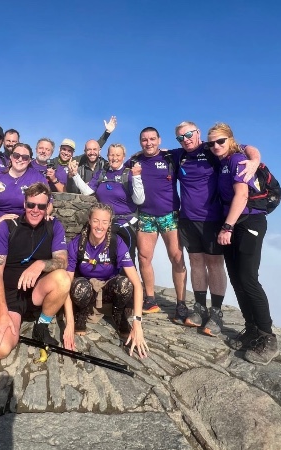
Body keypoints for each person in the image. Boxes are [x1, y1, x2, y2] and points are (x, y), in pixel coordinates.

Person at [174, 121, 261, 336]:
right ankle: (199, 307)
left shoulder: (212, 148)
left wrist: (255, 160)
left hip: (213, 219)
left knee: (214, 264)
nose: (186, 140)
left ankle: (216, 311)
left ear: (198, 133)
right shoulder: (180, 155)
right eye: (181, 137)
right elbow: (156, 152)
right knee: (196, 262)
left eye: (189, 134)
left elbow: (245, 147)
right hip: (187, 219)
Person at [207, 123, 278, 365]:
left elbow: (242, 195)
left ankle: (268, 337)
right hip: (234, 223)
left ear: (230, 139)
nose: (216, 146)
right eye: (212, 142)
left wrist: (226, 227)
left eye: (220, 141)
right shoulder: (223, 159)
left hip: (249, 222)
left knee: (248, 278)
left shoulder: (237, 160)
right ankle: (251, 329)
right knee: (237, 279)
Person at [0, 182, 73, 358]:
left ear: (47, 207)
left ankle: (41, 326)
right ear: (24, 204)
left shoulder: (54, 226)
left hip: (37, 291)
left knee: (63, 278)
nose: (35, 210)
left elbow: (63, 261)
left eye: (41, 206)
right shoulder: (8, 227)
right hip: (11, 294)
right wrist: (2, 312)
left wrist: (40, 264)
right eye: (31, 205)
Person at [66, 203, 148, 358]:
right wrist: (69, 323)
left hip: (109, 287)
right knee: (79, 287)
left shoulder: (117, 243)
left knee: (125, 284)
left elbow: (137, 284)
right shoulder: (77, 243)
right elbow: (66, 282)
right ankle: (82, 313)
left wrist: (137, 322)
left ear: (110, 223)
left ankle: (118, 313)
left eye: (104, 222)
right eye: (96, 221)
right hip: (86, 286)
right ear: (89, 220)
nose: (100, 226)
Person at [133, 127, 187, 322]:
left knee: (177, 257)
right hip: (146, 215)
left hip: (169, 215)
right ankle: (150, 299)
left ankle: (181, 304)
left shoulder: (170, 157)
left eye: (152, 139)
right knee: (144, 257)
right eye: (144, 140)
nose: (149, 143)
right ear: (140, 142)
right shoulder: (135, 160)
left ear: (159, 140)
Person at [69, 143, 144, 262]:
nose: (114, 158)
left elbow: (139, 200)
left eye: (118, 155)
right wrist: (75, 175)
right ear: (107, 156)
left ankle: (127, 274)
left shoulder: (129, 174)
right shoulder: (102, 173)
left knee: (126, 259)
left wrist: (136, 177)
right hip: (105, 222)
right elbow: (88, 191)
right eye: (111, 155)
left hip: (126, 222)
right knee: (101, 256)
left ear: (123, 157)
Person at [50, 116, 117, 190]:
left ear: (73, 153)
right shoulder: (52, 162)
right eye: (64, 149)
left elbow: (93, 149)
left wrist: (107, 133)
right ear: (59, 149)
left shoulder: (76, 161)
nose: (66, 153)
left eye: (69, 151)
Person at [0, 143, 51, 219]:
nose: (20, 159)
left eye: (25, 157)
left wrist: (39, 219)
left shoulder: (37, 177)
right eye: (16, 156)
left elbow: (49, 203)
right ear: (11, 156)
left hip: (25, 222)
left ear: (29, 160)